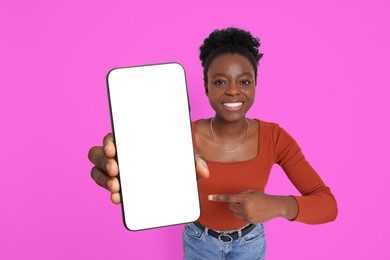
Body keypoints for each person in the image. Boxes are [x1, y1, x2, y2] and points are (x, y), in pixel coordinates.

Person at [88, 27, 338, 260]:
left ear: (255, 86)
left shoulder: (275, 137)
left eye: (244, 81)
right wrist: (128, 166)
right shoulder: (181, 135)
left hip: (251, 242)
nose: (232, 91)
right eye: (220, 81)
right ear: (206, 88)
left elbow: (328, 205)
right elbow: (151, 175)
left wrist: (279, 206)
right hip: (198, 241)